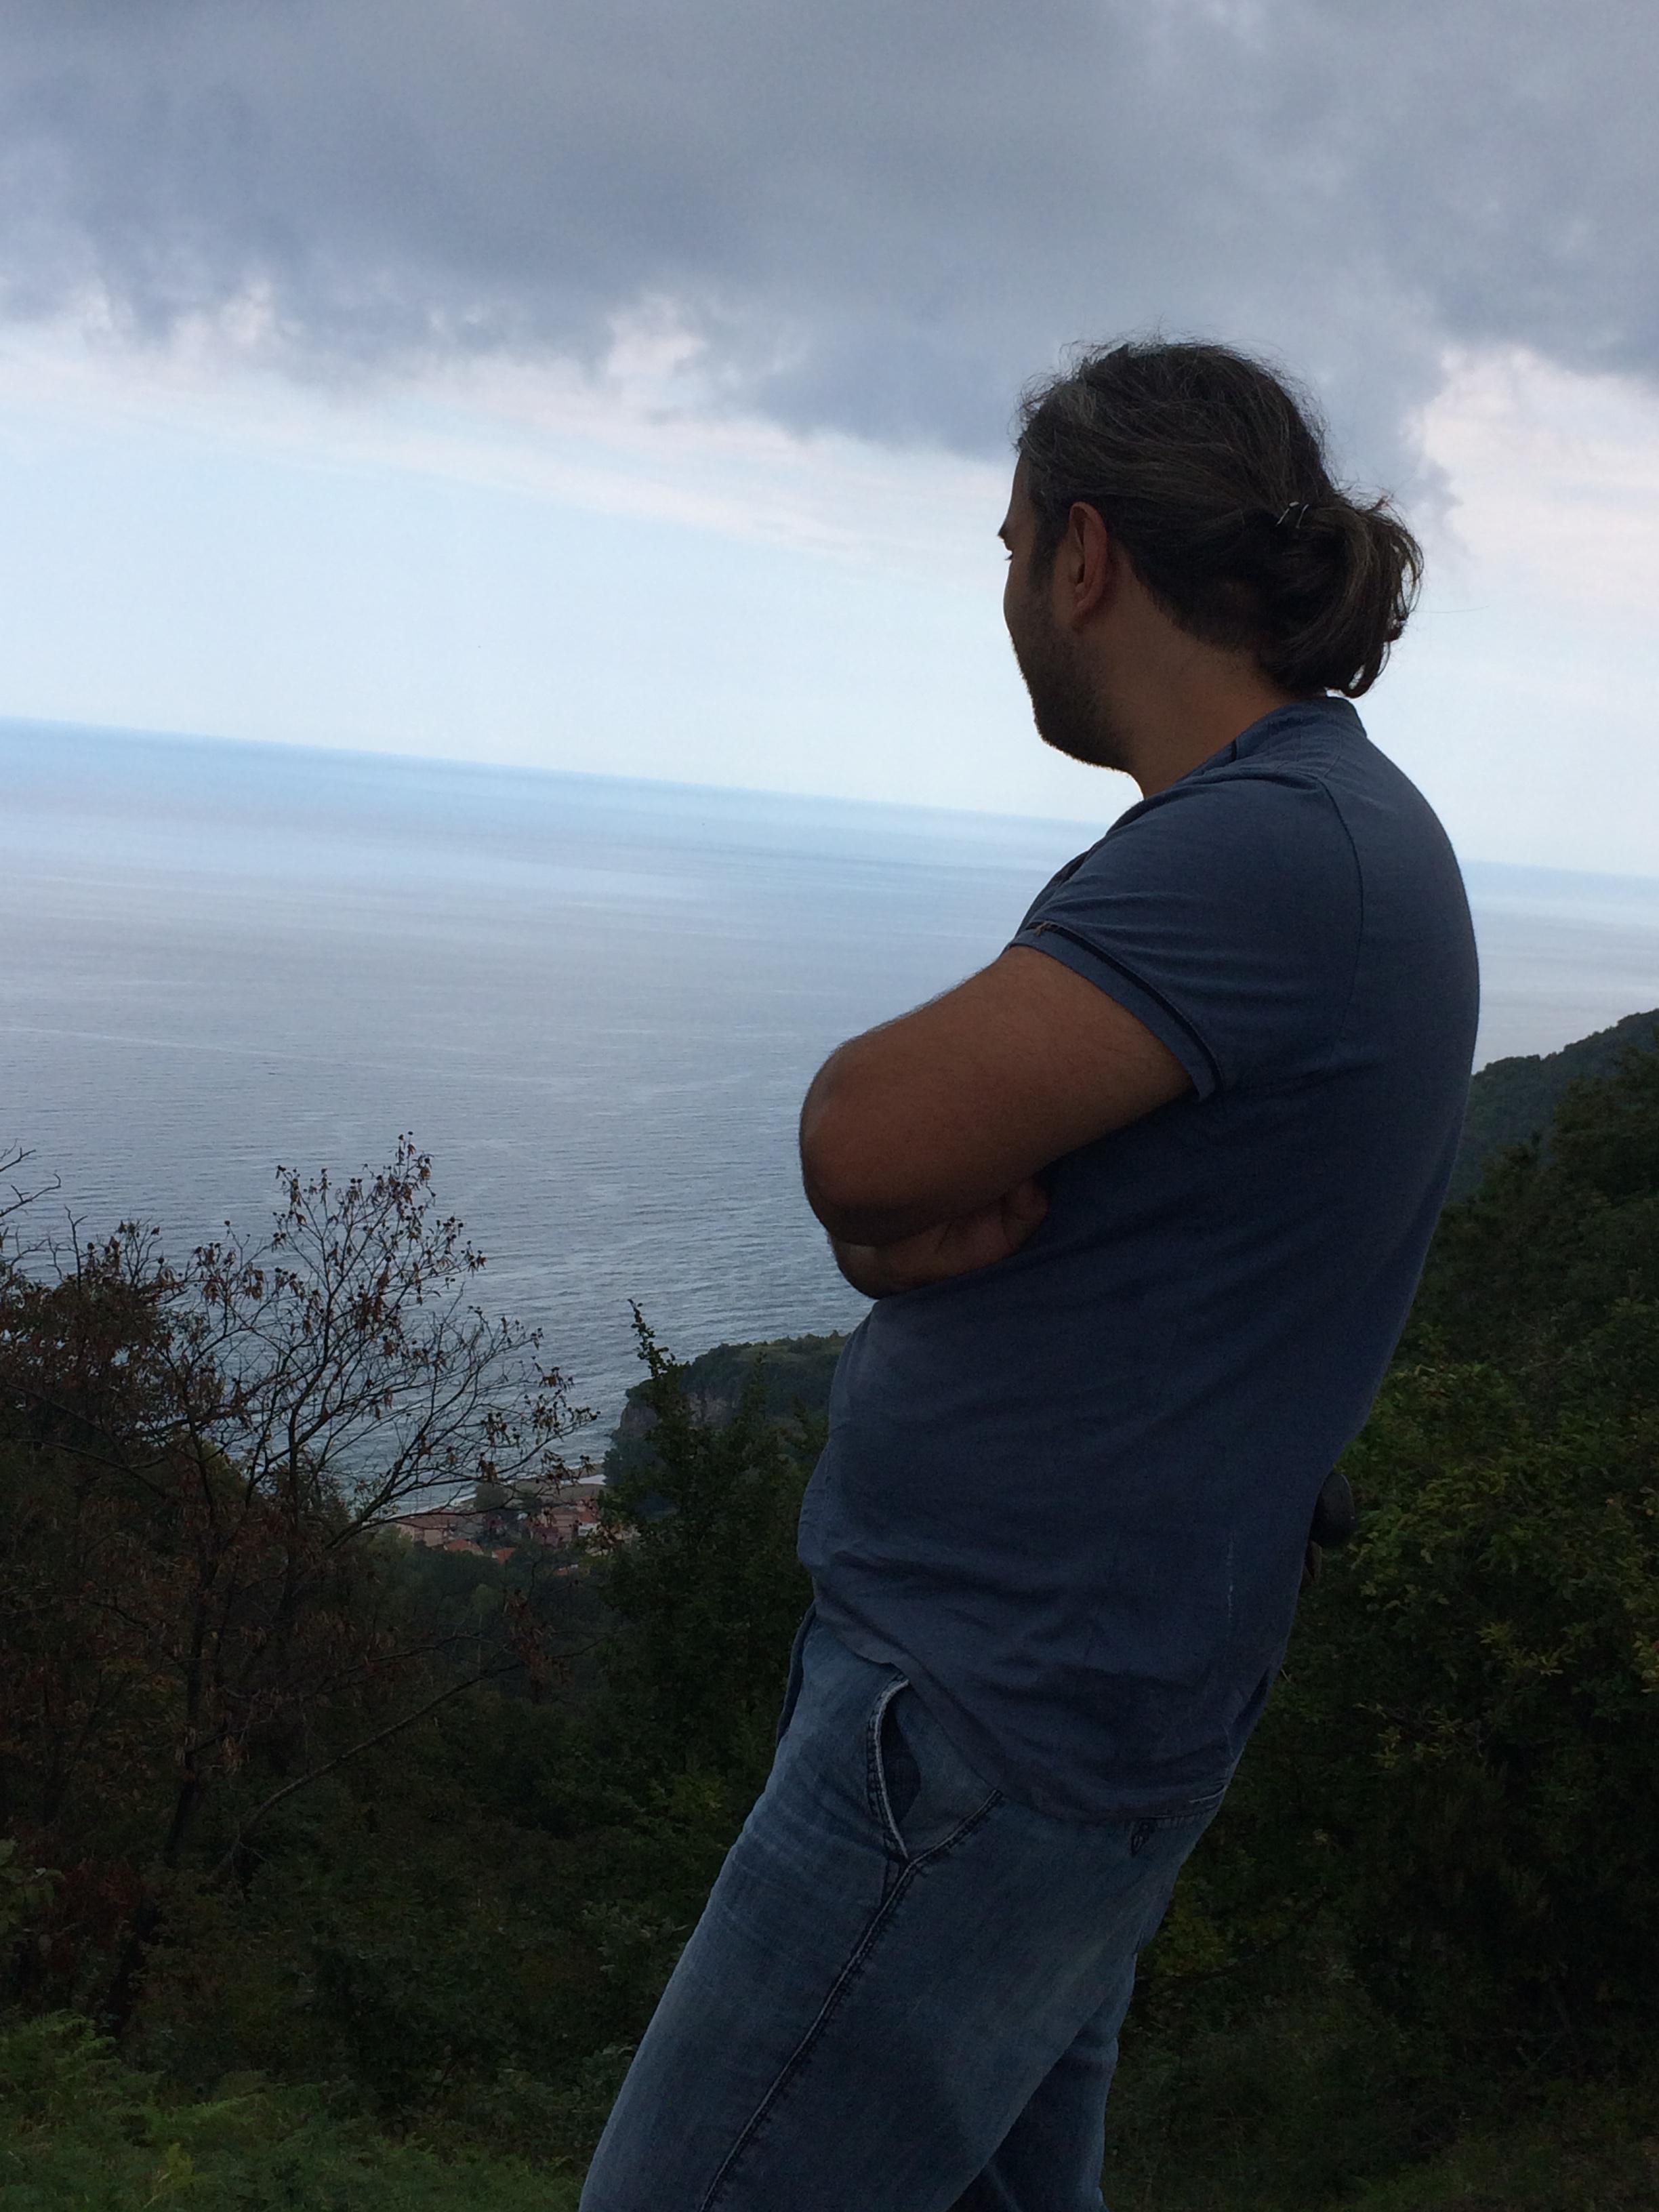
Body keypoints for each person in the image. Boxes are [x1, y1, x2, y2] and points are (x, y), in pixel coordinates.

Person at [579, 339, 1479, 2212]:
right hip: (1065, 1707)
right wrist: (885, 1231)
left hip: (982, 1729)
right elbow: (922, 1196)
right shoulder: (1312, 827)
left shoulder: (1267, 852)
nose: (1002, 596)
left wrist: (875, 1213)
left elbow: (862, 1135)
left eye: (1006, 548)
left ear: (1083, 556)